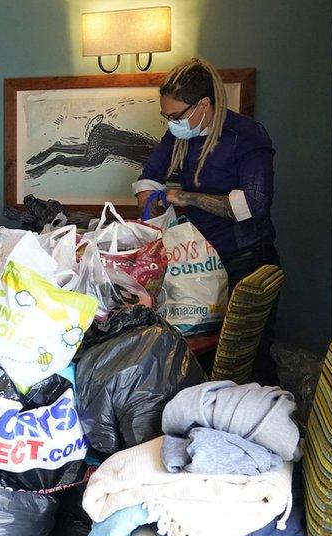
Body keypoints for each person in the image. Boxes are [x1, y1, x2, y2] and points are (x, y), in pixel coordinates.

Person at [134, 57, 279, 385]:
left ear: (204, 104)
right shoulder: (180, 136)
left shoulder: (247, 136)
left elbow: (254, 206)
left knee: (247, 356)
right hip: (198, 261)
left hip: (244, 261)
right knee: (202, 356)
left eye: (174, 116)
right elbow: (150, 178)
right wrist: (148, 207)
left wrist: (185, 197)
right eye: (165, 116)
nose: (170, 123)